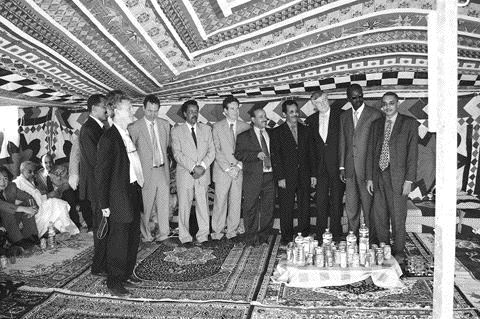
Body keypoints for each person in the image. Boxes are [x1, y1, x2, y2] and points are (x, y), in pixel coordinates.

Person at [95, 91, 143, 296]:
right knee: (119, 240)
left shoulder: (126, 133)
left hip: (131, 191)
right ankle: (114, 282)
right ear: (115, 111)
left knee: (133, 236)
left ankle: (125, 275)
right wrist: (104, 204)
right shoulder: (109, 138)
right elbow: (101, 174)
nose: (132, 111)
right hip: (117, 196)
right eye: (128, 108)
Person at [366, 92, 418, 264]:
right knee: (379, 216)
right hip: (378, 176)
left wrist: (409, 181)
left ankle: (399, 252)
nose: (387, 107)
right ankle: (383, 249)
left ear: (398, 104)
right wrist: (370, 178)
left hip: (398, 178)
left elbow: (412, 154)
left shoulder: (408, 123)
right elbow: (371, 153)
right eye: (384, 104)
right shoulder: (376, 124)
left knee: (397, 217)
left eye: (391, 103)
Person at [128, 95, 174, 246]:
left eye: (155, 111)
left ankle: (164, 235)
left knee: (163, 204)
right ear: (143, 108)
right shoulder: (134, 127)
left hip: (162, 170)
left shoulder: (165, 124)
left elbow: (166, 146)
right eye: (149, 111)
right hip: (145, 173)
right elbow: (131, 152)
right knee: (146, 206)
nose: (152, 114)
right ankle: (146, 236)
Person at [339, 84, 382, 237]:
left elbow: (379, 145)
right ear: (348, 99)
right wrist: (342, 167)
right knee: (351, 206)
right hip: (350, 169)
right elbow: (343, 142)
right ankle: (352, 235)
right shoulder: (344, 117)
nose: (358, 100)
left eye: (360, 96)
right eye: (354, 97)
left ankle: (370, 238)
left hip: (367, 169)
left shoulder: (375, 114)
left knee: (369, 206)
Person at [271, 100, 316, 245]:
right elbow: (275, 156)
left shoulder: (306, 130)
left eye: (296, 111)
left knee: (304, 206)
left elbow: (311, 154)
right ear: (284, 114)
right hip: (286, 177)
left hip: (304, 175)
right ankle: (286, 237)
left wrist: (313, 175)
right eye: (291, 112)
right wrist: (280, 177)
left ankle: (303, 234)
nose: (295, 114)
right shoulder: (277, 132)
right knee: (286, 207)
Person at [171, 100, 215, 246]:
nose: (194, 114)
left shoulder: (206, 129)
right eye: (191, 112)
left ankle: (203, 236)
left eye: (196, 111)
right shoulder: (176, 131)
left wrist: (202, 166)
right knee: (184, 207)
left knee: (203, 206)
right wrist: (193, 168)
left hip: (202, 174)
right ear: (184, 114)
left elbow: (212, 151)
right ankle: (185, 237)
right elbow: (177, 154)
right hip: (185, 175)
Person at [305, 91, 344, 242]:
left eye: (323, 101)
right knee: (320, 202)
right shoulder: (311, 120)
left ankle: (336, 234)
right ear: (314, 106)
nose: (321, 104)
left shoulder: (342, 115)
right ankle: (321, 235)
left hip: (337, 167)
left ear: (327, 99)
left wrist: (343, 167)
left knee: (336, 201)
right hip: (319, 169)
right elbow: (311, 149)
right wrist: (313, 173)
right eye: (317, 103)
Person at [211, 96, 250, 241]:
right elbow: (216, 150)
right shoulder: (216, 127)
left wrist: (238, 166)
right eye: (232, 108)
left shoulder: (245, 127)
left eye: (237, 108)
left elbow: (248, 150)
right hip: (223, 171)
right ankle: (217, 232)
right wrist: (228, 168)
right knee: (220, 202)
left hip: (238, 171)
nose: (236, 111)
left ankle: (232, 231)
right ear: (225, 111)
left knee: (236, 201)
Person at [78, 93, 109, 276]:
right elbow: (97, 162)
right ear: (94, 108)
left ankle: (103, 262)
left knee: (103, 226)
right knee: (100, 227)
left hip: (100, 185)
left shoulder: (99, 127)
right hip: (97, 188)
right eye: (104, 106)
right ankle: (98, 266)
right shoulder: (89, 129)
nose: (107, 109)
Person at [235, 106, 274, 246]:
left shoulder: (271, 133)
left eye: (265, 116)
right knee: (250, 207)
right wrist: (255, 155)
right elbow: (239, 154)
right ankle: (251, 237)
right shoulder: (243, 136)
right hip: (252, 177)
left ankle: (264, 236)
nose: (265, 119)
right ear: (252, 120)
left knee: (268, 208)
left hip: (270, 176)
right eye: (261, 117)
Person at [11, 161, 79, 237]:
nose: (32, 174)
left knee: (59, 207)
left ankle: (66, 231)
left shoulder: (30, 181)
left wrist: (48, 195)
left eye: (33, 172)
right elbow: (17, 201)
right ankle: (68, 229)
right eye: (30, 172)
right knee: (58, 204)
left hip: (40, 205)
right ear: (22, 170)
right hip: (31, 210)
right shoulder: (17, 182)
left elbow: (37, 196)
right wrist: (47, 196)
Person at [36, 153, 80, 229]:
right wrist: (49, 195)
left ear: (53, 162)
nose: (49, 165)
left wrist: (58, 191)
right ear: (41, 164)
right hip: (50, 195)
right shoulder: (39, 174)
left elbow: (67, 184)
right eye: (45, 163)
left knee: (69, 194)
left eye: (50, 162)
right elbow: (40, 190)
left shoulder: (61, 169)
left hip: (62, 192)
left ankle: (75, 224)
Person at [0, 166, 38, 249]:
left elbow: (28, 197)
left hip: (10, 223)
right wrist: (24, 209)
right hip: (1, 225)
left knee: (27, 205)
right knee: (8, 211)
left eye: (5, 178)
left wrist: (33, 209)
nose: (2, 182)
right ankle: (18, 240)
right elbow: (3, 206)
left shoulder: (11, 187)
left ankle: (31, 237)